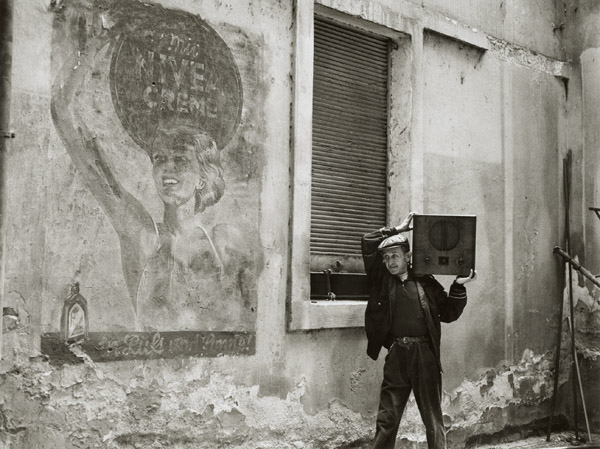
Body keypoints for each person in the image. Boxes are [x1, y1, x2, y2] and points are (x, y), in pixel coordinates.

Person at [51, 41, 255, 332]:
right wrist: (92, 44)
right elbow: (61, 111)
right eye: (159, 158)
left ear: (202, 177)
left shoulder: (223, 248)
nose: (167, 167)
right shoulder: (142, 234)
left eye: (181, 159)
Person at [361, 212, 477, 449]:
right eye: (386, 258)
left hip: (425, 354)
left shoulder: (426, 282)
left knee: (432, 417)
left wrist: (458, 286)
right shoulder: (381, 281)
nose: (390, 261)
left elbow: (449, 313)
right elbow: (367, 241)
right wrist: (397, 229)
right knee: (387, 417)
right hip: (397, 354)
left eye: (395, 256)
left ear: (408, 256)